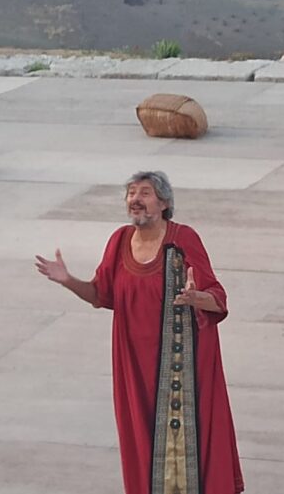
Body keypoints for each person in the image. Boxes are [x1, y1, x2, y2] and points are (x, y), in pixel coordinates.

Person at [36, 171, 244, 494]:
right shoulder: (119, 242)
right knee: (143, 446)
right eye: (131, 193)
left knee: (190, 447)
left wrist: (195, 297)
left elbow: (218, 299)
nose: (135, 199)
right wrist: (68, 280)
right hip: (134, 368)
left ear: (164, 203)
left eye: (145, 193)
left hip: (182, 369)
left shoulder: (183, 239)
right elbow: (100, 295)